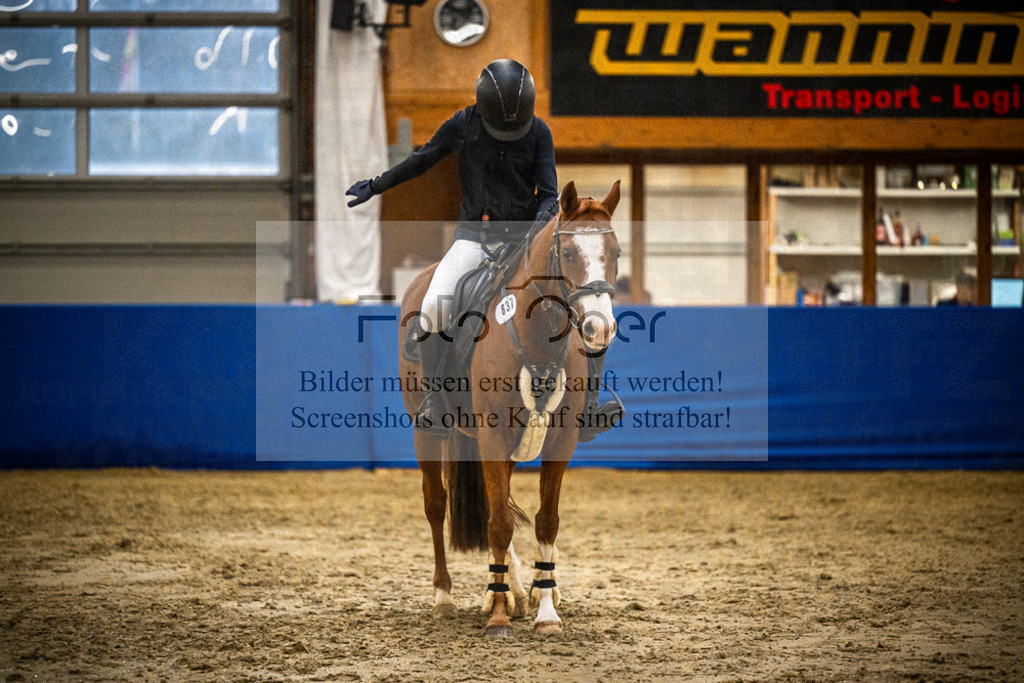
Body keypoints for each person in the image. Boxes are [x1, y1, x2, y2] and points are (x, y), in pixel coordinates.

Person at [347, 59, 619, 439]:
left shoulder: (538, 131)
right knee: (434, 304)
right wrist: (376, 185)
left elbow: (550, 195)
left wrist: (536, 229)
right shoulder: (461, 126)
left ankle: (588, 406)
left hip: (525, 241)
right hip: (474, 240)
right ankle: (437, 405)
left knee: (591, 306)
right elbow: (421, 160)